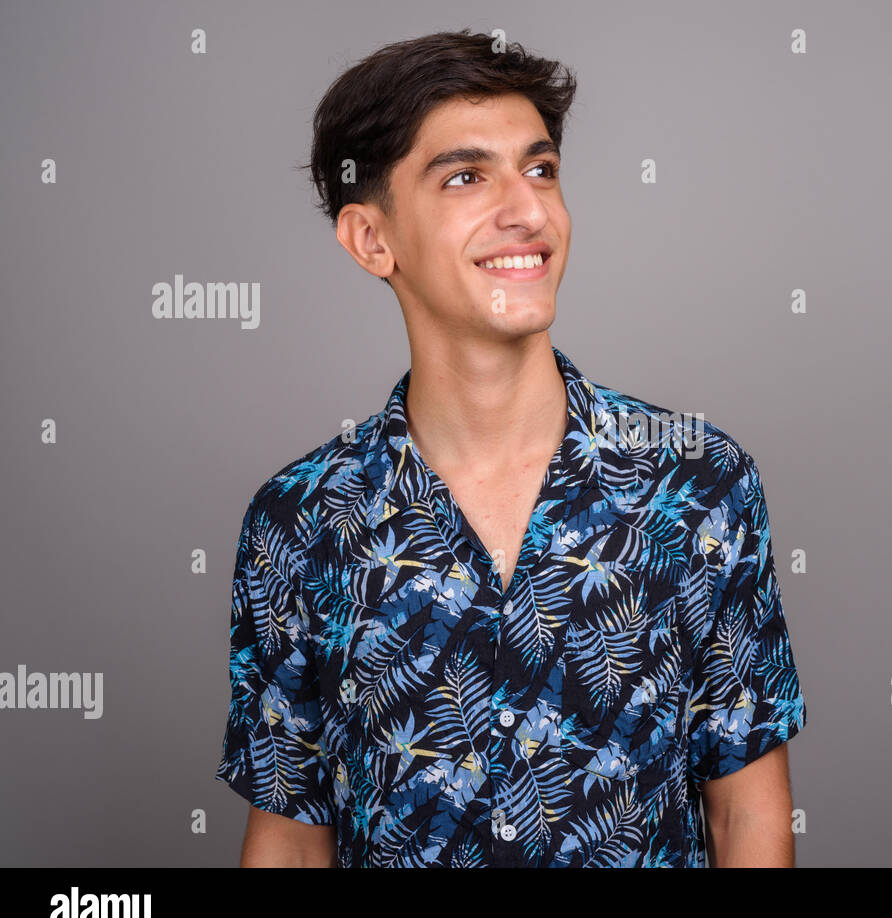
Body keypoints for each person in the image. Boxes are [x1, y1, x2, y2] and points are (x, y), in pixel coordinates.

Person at [214, 29, 808, 867]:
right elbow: (291, 838)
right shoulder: (299, 522)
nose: (527, 210)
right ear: (371, 239)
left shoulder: (700, 482)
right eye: (465, 176)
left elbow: (746, 817)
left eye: (540, 170)